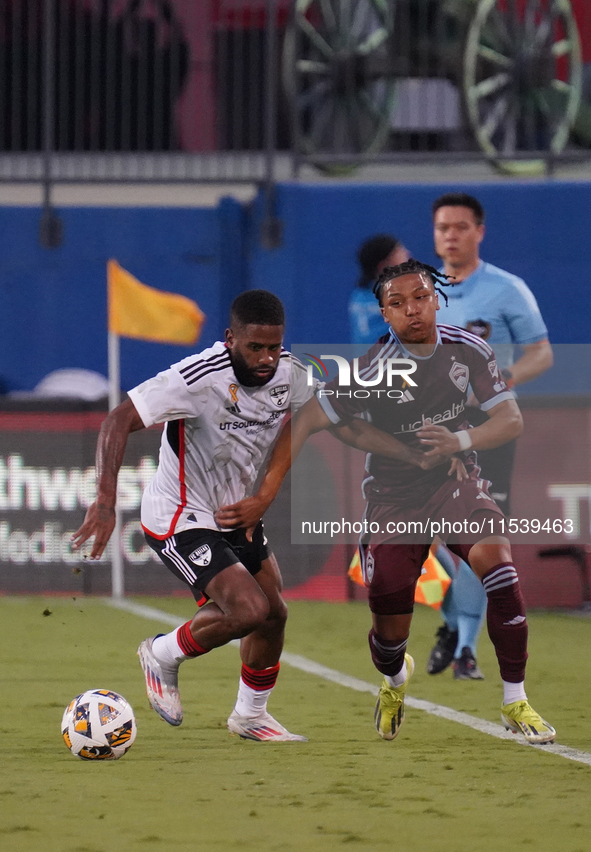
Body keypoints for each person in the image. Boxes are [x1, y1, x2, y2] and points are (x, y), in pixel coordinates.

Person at [217, 259, 556, 746]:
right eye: (397, 304)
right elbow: (313, 418)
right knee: (389, 628)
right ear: (384, 313)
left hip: (455, 482)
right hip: (394, 499)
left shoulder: (470, 350)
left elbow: (511, 420)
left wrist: (460, 443)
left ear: (436, 299)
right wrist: (267, 491)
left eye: (420, 297)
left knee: (499, 568)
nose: (412, 311)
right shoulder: (375, 369)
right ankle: (395, 680)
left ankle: (515, 700)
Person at [72, 290, 321, 742]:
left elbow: (307, 417)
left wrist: (265, 494)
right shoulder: (195, 377)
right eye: (255, 348)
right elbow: (116, 421)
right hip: (179, 515)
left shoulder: (290, 374)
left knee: (274, 614)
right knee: (248, 609)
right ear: (230, 339)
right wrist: (105, 500)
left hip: (235, 512)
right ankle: (163, 654)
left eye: (274, 347)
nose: (266, 358)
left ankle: (251, 716)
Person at [428, 192, 553, 681]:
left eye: (460, 227)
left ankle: (465, 648)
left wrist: (506, 379)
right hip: (429, 428)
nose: (451, 235)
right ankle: (451, 622)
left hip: (488, 430)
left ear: (479, 231)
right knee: (429, 537)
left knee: (483, 535)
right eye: (443, 227)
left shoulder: (507, 289)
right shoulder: (419, 291)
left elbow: (542, 353)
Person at [349, 234, 409, 344]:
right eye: (399, 251)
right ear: (384, 266)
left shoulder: (357, 296)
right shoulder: (396, 298)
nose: (407, 253)